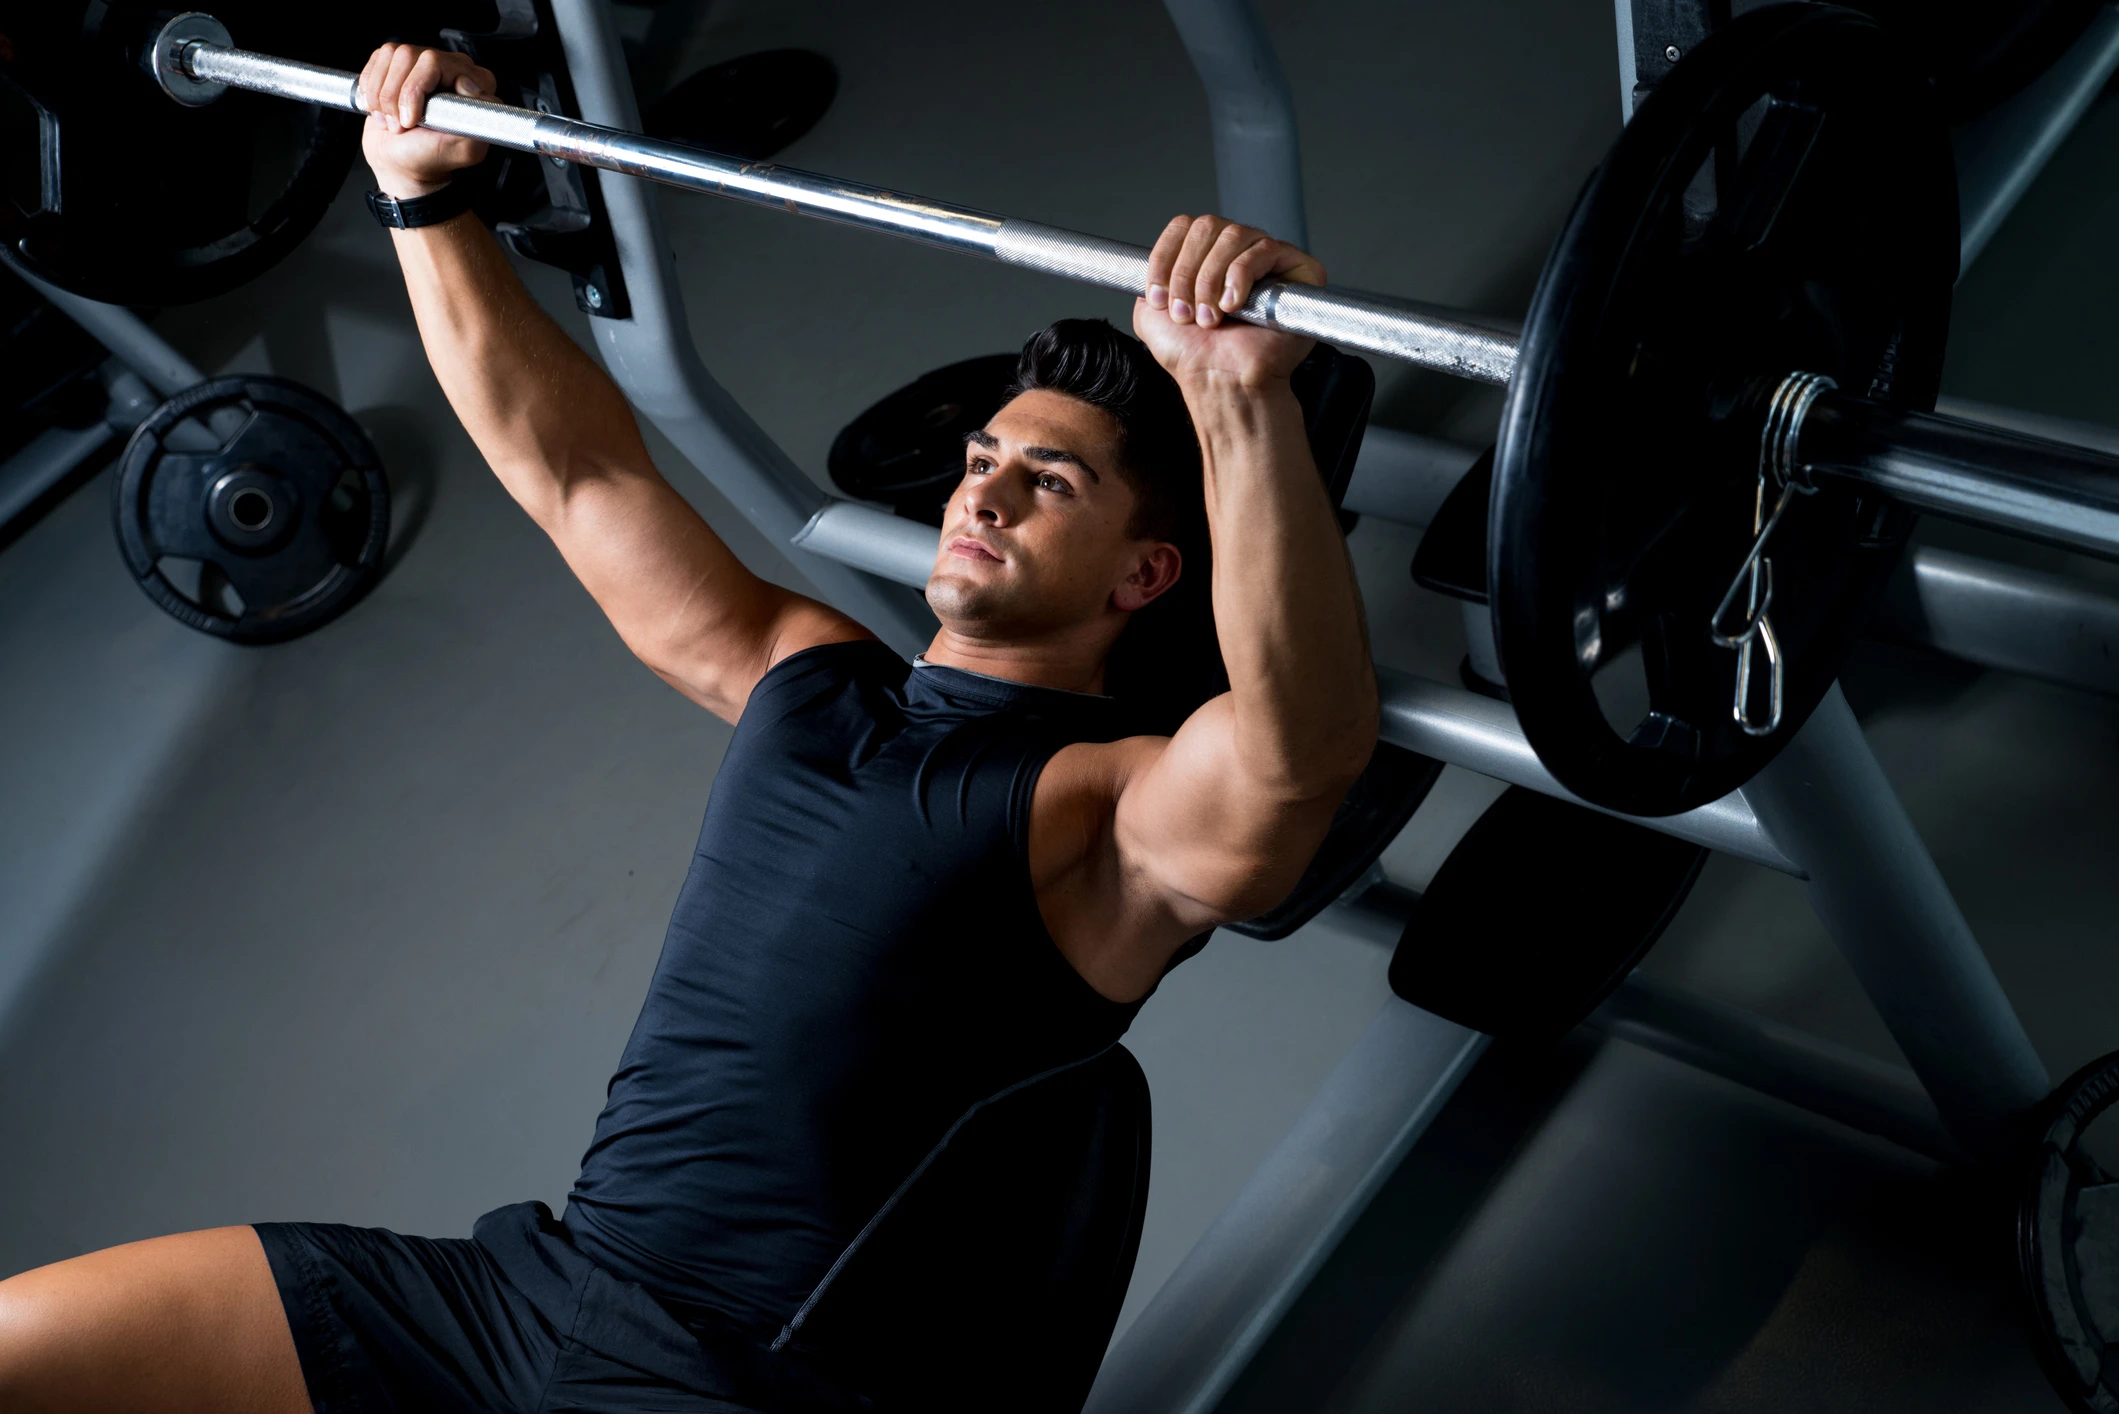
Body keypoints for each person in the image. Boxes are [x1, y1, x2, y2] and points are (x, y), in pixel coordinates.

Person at [0, 41, 1378, 1414]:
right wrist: (419, 198)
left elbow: (1291, 757)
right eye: (981, 461)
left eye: (1050, 483)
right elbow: (577, 473)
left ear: (1142, 573)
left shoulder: (1100, 808)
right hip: (520, 1296)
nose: (986, 497)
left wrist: (1235, 396)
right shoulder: (808, 671)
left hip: (721, 1385)